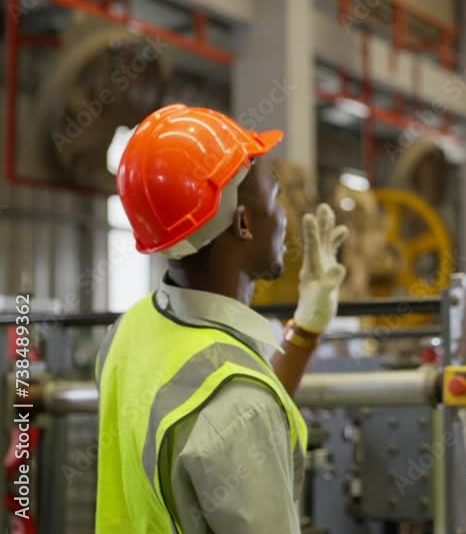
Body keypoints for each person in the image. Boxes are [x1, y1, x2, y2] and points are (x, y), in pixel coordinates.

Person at [95, 104, 348, 533]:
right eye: (275, 197)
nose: (284, 217)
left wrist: (305, 329)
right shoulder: (241, 405)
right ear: (243, 223)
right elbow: (234, 416)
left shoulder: (128, 333)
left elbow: (209, 414)